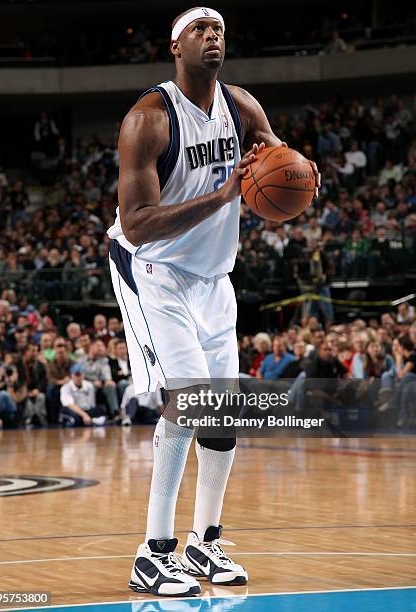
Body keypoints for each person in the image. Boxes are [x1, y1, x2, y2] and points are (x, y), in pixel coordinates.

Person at [107, 6, 320, 598]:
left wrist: (301, 175)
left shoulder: (242, 106)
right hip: (152, 268)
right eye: (200, 30)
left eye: (219, 29)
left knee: (222, 414)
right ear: (176, 46)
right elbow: (140, 223)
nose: (212, 36)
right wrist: (228, 192)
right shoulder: (148, 120)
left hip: (212, 277)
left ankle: (206, 541)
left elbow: (279, 162)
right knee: (191, 403)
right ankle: (151, 554)